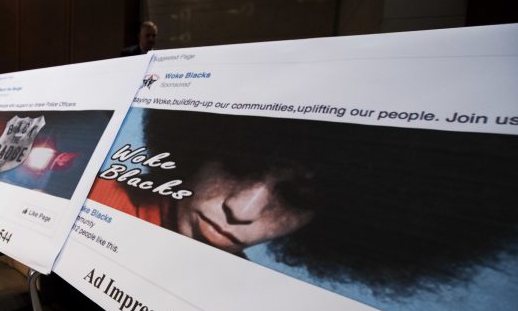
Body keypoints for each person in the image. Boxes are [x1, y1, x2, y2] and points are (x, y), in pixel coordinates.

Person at [89, 108, 518, 294]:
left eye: (296, 196)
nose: (241, 210)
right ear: (198, 147)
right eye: (238, 164)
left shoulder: (252, 299)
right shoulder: (99, 198)